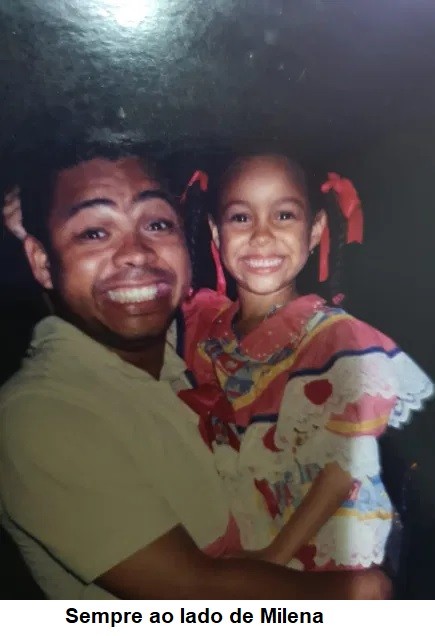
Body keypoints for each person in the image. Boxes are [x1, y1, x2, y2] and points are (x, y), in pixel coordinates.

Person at [0, 133, 390, 599]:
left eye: (157, 224)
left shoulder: (179, 352)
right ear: (215, 234)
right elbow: (194, 592)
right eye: (94, 233)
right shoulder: (45, 414)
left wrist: (41, 228)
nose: (136, 252)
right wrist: (358, 592)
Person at [180, 153, 435, 570]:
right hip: (235, 542)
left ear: (315, 230)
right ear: (215, 231)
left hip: (310, 553)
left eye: (283, 215)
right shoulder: (205, 326)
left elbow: (340, 472)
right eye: (241, 218)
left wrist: (271, 562)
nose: (262, 236)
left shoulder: (335, 339)